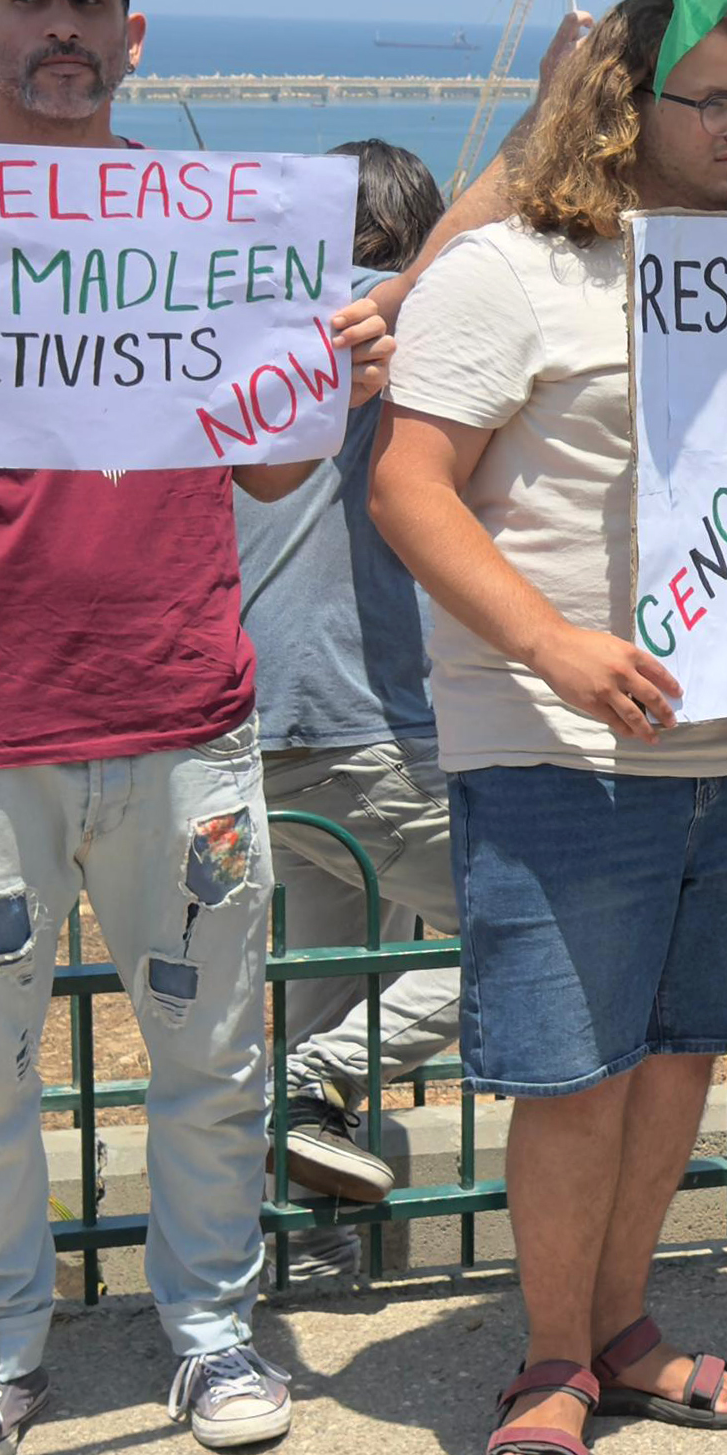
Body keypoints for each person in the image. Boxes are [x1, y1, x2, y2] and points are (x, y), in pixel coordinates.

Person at [0, 0, 390, 1455]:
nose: (61, 25)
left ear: (137, 36)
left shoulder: (211, 221)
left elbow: (270, 456)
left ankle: (211, 1328)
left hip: (181, 702)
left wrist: (337, 376)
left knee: (211, 1054)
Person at [365, 0, 727, 1455]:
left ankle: (622, 1324)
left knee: (680, 1060)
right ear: (618, 107)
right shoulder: (503, 277)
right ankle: (548, 1357)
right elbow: (409, 487)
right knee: (575, 1075)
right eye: (711, 101)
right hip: (554, 744)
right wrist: (550, 642)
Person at [236, 138, 459, 1221]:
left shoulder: (253, 340)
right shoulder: (374, 321)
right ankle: (310, 1085)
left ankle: (309, 1247)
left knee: (328, 987)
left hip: (256, 723)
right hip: (354, 718)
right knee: (532, 926)